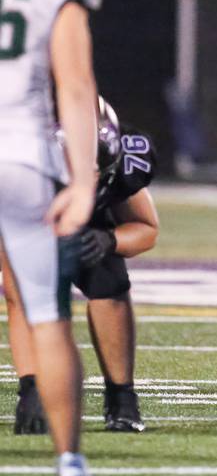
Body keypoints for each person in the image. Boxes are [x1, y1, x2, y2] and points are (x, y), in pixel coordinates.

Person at [0, 0, 102, 475]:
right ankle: (68, 459)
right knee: (46, 315)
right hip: (21, 153)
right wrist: (85, 180)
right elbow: (76, 85)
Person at [4, 98, 158, 435]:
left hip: (80, 223)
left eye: (97, 166)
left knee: (108, 276)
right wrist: (31, 385)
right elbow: (17, 295)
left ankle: (122, 398)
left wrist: (110, 241)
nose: (90, 177)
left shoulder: (120, 163)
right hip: (28, 217)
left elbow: (147, 229)